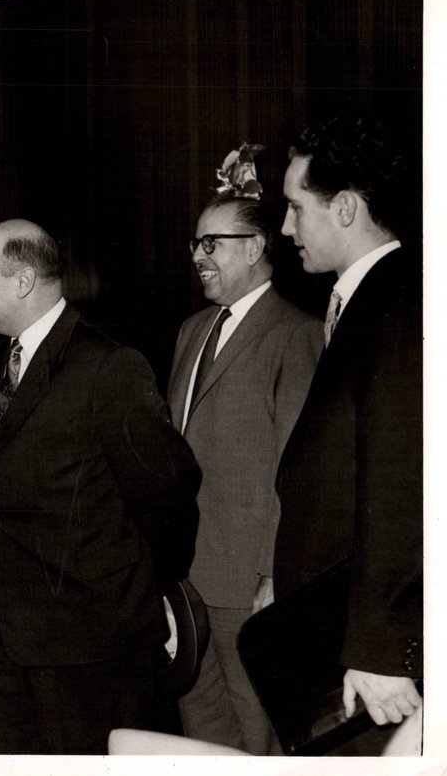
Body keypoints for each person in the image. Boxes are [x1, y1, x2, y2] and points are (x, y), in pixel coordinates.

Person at [0, 218, 201, 754]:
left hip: (89, 643)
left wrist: (136, 591)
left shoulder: (109, 366)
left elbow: (168, 492)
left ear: (21, 281)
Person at [166, 145, 323, 754]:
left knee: (260, 741)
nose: (198, 257)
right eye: (196, 245)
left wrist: (274, 573)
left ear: (256, 248)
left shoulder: (297, 335)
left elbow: (297, 469)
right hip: (185, 584)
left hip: (249, 585)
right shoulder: (191, 330)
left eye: (213, 244)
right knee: (201, 740)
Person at [275, 116, 422, 754]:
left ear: (345, 209)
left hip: (370, 652)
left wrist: (380, 647)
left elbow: (402, 481)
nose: (285, 229)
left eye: (293, 208)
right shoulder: (363, 301)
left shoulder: (398, 305)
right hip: (337, 625)